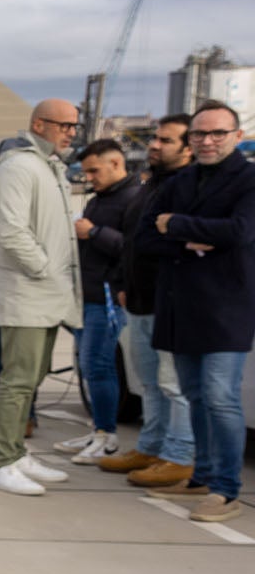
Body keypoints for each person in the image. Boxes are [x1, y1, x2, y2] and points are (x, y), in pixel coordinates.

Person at [134, 99, 255, 524]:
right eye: (199, 134)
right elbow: (145, 237)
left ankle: (225, 490)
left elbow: (239, 233)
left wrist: (177, 225)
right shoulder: (179, 181)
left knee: (221, 398)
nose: (207, 141)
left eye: (217, 133)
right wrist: (191, 241)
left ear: (236, 136)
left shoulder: (249, 179)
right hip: (179, 306)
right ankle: (202, 475)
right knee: (195, 396)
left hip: (225, 309)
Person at [0, 100, 84, 496]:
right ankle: (1, 462)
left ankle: (17, 452)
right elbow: (11, 231)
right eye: (64, 125)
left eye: (75, 126)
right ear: (38, 124)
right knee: (18, 379)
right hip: (29, 290)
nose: (71, 132)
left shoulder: (49, 167)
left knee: (34, 376)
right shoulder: (19, 167)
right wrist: (44, 269)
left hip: (48, 293)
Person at [99, 116, 196, 487]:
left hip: (168, 300)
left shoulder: (187, 188)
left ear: (187, 149)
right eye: (155, 138)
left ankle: (179, 455)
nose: (154, 145)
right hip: (138, 299)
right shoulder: (150, 186)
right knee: (150, 382)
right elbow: (133, 241)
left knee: (174, 383)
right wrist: (123, 282)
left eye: (165, 141)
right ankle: (151, 446)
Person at [54, 139, 143, 462]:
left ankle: (106, 436)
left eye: (94, 170)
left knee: (100, 365)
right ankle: (99, 431)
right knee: (90, 367)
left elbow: (134, 248)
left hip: (107, 297)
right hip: (86, 295)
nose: (89, 177)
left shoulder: (133, 199)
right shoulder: (100, 199)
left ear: (116, 163)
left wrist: (93, 233)